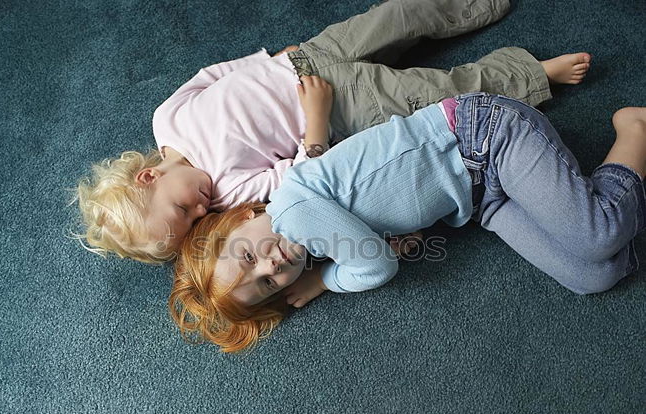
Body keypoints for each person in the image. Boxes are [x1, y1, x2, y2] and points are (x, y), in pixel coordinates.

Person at [72, 0, 591, 263]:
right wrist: (316, 115)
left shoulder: (167, 119)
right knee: (436, 90)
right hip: (337, 111)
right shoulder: (229, 189)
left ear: (146, 177)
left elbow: (213, 76)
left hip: (305, 58)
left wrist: (272, 60)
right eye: (194, 222)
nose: (201, 210)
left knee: (399, 16)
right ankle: (531, 74)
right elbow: (301, 171)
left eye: (183, 209)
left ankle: (470, 6)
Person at [168, 84, 646, 353]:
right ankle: (605, 198)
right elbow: (395, 227)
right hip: (479, 200)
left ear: (248, 214)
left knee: (599, 234)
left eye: (248, 255)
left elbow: (377, 267)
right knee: (595, 274)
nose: (272, 266)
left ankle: (634, 128)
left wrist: (323, 283)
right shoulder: (316, 238)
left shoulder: (293, 210)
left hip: (488, 135)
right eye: (268, 284)